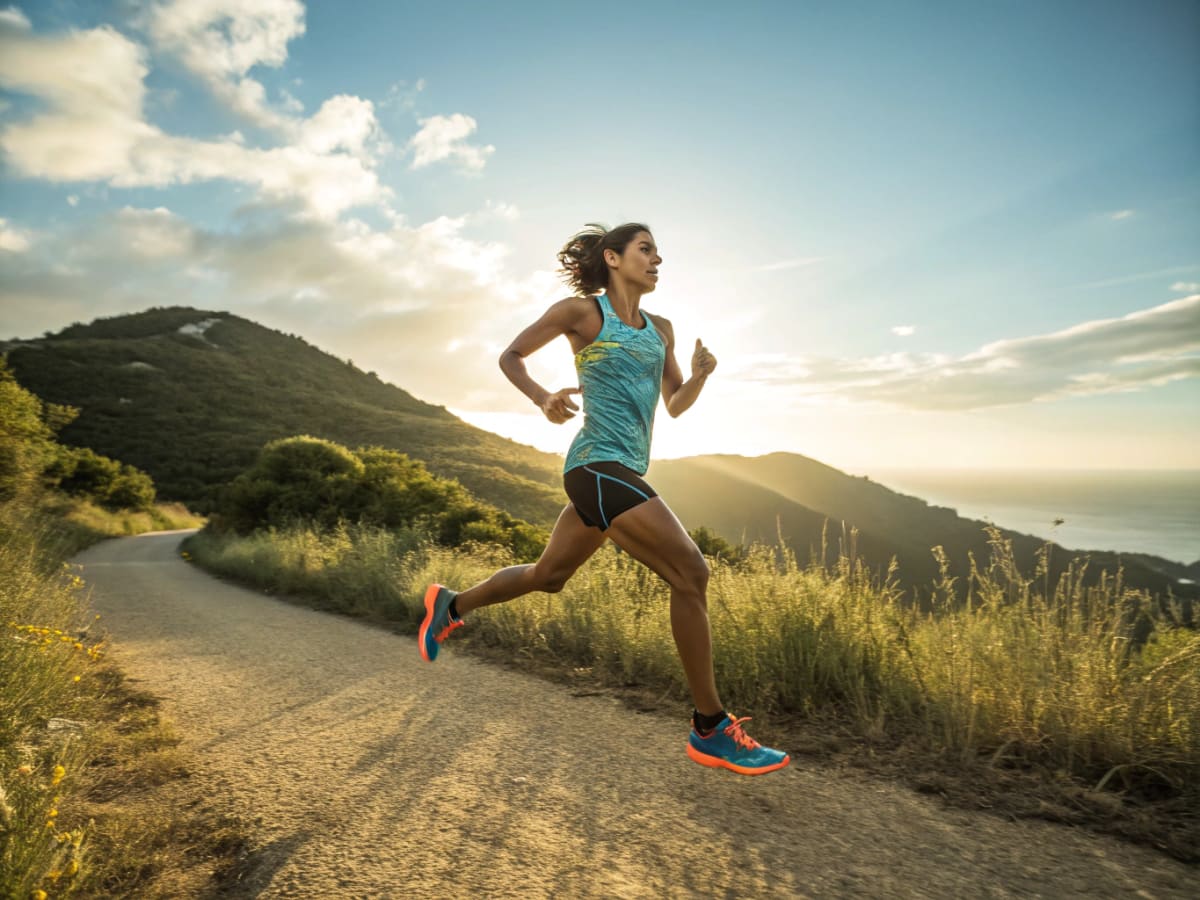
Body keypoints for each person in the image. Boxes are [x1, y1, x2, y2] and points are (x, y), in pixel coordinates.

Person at [420, 223, 789, 776]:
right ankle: (711, 728)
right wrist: (543, 396)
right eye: (646, 249)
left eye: (658, 251)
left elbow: (676, 403)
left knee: (548, 577)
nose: (658, 258)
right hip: (595, 466)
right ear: (613, 258)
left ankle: (450, 605)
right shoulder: (582, 314)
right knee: (691, 573)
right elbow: (511, 356)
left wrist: (703, 376)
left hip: (620, 474)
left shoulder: (661, 328)